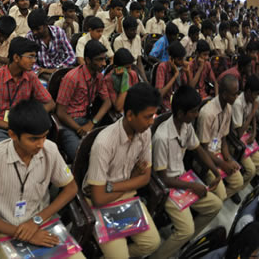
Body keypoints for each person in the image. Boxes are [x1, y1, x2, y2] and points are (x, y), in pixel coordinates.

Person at [0, 99, 83, 257]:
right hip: (4, 229)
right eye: (33, 139)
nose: (41, 144)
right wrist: (25, 232)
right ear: (12, 135)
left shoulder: (50, 149)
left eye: (44, 137)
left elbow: (71, 188)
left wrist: (37, 220)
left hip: (42, 223)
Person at [85, 82, 161, 258]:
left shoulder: (144, 133)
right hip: (101, 204)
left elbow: (145, 178)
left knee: (152, 243)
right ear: (129, 115)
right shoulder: (105, 143)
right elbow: (97, 199)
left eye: (153, 116)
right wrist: (130, 183)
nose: (151, 123)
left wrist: (112, 186)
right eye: (147, 117)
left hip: (118, 194)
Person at [150, 86, 223, 259]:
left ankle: (183, 242)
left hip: (182, 180)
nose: (197, 115)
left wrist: (216, 171)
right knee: (186, 228)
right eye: (194, 112)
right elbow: (162, 178)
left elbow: (198, 149)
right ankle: (158, 256)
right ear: (181, 113)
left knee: (216, 205)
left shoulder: (186, 126)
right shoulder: (162, 137)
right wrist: (192, 185)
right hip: (168, 187)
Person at [0, 37, 54, 146]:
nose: (34, 61)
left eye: (35, 57)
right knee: (0, 155)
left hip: (25, 127)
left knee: (41, 152)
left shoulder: (31, 77)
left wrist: (31, 117)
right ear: (16, 57)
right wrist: (12, 126)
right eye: (30, 57)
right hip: (0, 127)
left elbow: (50, 103)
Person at [56, 40, 113, 163]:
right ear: (87, 60)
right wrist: (80, 129)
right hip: (69, 124)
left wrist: (92, 123)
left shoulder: (99, 77)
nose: (104, 64)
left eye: (104, 59)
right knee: (81, 157)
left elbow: (107, 101)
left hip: (88, 120)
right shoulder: (72, 78)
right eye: (99, 60)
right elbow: (60, 112)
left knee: (106, 151)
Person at [197, 74, 245, 201]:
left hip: (219, 154)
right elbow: (203, 149)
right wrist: (223, 164)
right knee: (222, 195)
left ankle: (218, 201)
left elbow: (223, 139)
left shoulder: (228, 108)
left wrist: (228, 159)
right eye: (234, 94)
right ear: (224, 94)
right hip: (206, 158)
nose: (237, 97)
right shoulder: (207, 113)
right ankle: (215, 200)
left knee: (239, 182)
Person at [26, 8, 76, 76]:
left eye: (37, 29)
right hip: (41, 74)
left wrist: (57, 69)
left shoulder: (59, 32)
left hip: (60, 71)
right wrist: (42, 70)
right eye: (32, 29)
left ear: (46, 25)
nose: (34, 32)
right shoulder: (30, 37)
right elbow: (28, 61)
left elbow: (71, 56)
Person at [232, 74, 259, 187]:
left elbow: (252, 118)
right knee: (251, 170)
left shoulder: (251, 99)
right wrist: (253, 110)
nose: (256, 97)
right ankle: (238, 187)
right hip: (235, 140)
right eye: (255, 94)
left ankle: (250, 180)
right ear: (248, 91)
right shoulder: (238, 103)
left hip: (246, 136)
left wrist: (254, 132)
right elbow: (238, 133)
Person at [156, 41, 191, 110]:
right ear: (171, 59)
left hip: (180, 102)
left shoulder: (182, 66)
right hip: (166, 104)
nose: (182, 62)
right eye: (179, 60)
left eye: (183, 59)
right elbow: (160, 95)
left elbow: (188, 90)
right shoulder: (162, 67)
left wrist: (187, 73)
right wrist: (175, 75)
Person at [104, 48, 140, 113]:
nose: (129, 71)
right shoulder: (109, 79)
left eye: (130, 67)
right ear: (116, 67)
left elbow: (137, 97)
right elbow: (118, 107)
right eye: (126, 68)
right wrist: (125, 80)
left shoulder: (133, 74)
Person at [113, 16, 146, 81]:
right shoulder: (118, 41)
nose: (134, 32)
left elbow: (139, 61)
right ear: (125, 30)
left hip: (136, 69)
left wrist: (144, 79)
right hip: (124, 71)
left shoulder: (137, 38)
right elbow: (120, 64)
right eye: (132, 30)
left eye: (135, 30)